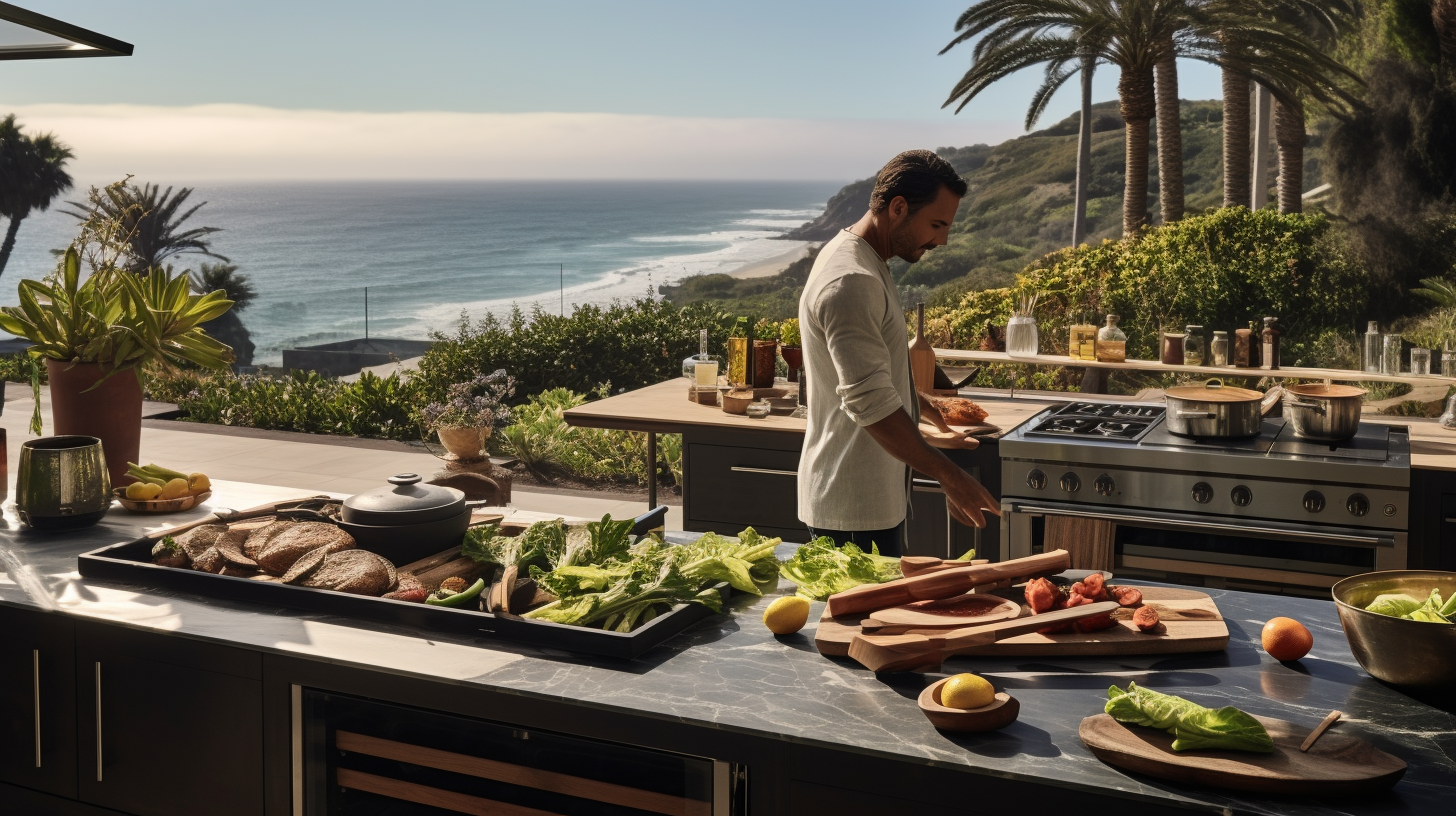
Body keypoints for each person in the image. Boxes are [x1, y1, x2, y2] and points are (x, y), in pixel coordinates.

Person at [796, 149, 999, 556]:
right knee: (858, 622)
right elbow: (870, 402)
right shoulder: (851, 280)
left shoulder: (865, 260)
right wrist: (950, 477)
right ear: (898, 208)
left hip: (869, 503)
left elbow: (881, 378)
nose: (942, 239)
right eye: (937, 224)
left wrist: (931, 409)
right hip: (851, 510)